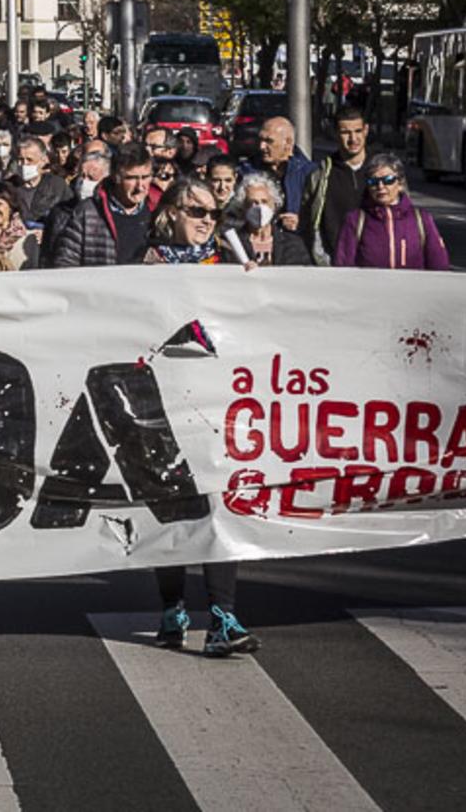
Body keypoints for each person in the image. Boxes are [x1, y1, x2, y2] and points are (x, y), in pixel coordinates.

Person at [136, 177, 259, 657]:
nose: (208, 221)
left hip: (215, 406)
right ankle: (173, 609)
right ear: (172, 213)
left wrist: (253, 282)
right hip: (158, 406)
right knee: (171, 511)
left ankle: (222, 616)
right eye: (197, 212)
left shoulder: (227, 263)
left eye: (214, 214)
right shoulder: (141, 261)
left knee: (217, 509)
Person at [331, 152, 450, 270]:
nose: (380, 186)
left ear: (400, 184)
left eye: (388, 180)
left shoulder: (422, 220)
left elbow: (439, 267)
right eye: (373, 182)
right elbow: (342, 267)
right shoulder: (355, 220)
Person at [49, 145, 154, 268]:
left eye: (145, 177)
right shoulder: (88, 212)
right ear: (116, 177)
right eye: (131, 178)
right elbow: (66, 261)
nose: (140, 186)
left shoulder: (156, 212)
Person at [300, 105, 371, 265]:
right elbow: (306, 217)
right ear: (335, 133)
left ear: (366, 130)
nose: (353, 139)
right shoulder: (321, 174)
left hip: (374, 263)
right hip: (333, 263)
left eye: (358, 131)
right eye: (346, 132)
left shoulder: (381, 170)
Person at [222, 171, 312, 267]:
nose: (260, 207)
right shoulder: (231, 243)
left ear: (274, 205)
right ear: (243, 207)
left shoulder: (293, 243)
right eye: (253, 202)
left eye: (264, 201)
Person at [254, 117, 310, 231]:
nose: (262, 146)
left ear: (288, 142)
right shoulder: (248, 171)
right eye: (260, 140)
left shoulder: (310, 173)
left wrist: (302, 222)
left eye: (269, 141)